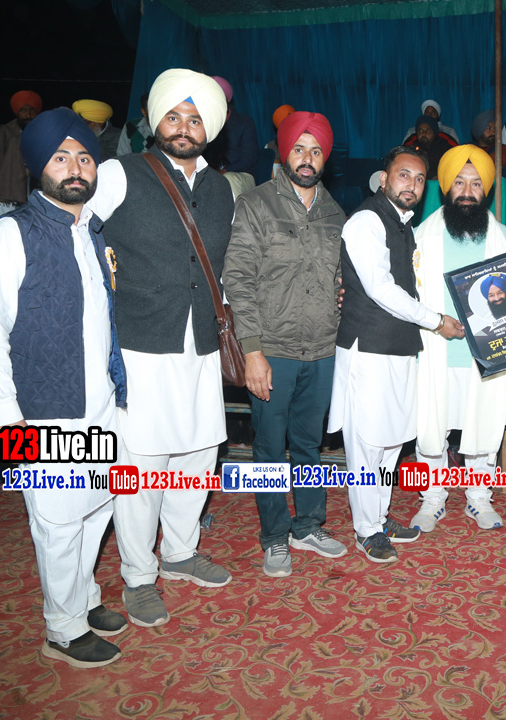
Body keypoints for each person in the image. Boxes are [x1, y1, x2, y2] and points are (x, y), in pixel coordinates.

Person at [0, 108, 127, 667]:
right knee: (57, 522)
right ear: (39, 167)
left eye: (84, 157)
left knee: (96, 509)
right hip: (40, 411)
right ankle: (62, 630)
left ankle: (81, 600)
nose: (75, 167)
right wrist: (5, 421)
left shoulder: (93, 234)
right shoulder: (10, 234)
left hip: (99, 404)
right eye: (61, 157)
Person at [88, 68, 235, 627]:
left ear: (209, 129)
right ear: (155, 121)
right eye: (173, 116)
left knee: (198, 453)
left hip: (202, 342)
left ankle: (179, 552)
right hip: (141, 341)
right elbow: (77, 232)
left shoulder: (222, 188)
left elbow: (222, 267)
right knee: (143, 461)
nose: (183, 127)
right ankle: (138, 575)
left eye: (194, 119)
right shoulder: (119, 173)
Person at [223, 111, 347, 577]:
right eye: (299, 149)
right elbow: (237, 278)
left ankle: (308, 525)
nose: (307, 158)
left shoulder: (336, 213)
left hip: (322, 349)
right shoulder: (256, 204)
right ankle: (275, 536)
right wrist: (252, 350)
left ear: (325, 157)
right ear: (283, 152)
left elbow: (343, 277)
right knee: (270, 449)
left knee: (310, 444)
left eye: (316, 151)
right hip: (271, 349)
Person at [328, 145, 465, 563]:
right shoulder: (367, 220)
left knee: (389, 444)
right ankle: (366, 530)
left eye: (420, 179)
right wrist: (436, 321)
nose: (412, 185)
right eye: (404, 175)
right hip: (368, 349)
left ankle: (379, 518)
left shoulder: (404, 226)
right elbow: (381, 289)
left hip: (399, 348)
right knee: (367, 446)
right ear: (384, 179)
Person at [408, 145, 506, 533]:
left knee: (483, 424)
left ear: (486, 190)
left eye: (475, 184)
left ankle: (479, 498)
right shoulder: (421, 236)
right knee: (430, 427)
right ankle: (432, 498)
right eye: (459, 182)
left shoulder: (501, 237)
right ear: (445, 187)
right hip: (433, 351)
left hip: (482, 354)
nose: (467, 192)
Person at [0, 91, 42, 226]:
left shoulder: (44, 128)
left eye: (32, 110)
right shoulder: (7, 130)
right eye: (23, 110)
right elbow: (1, 160)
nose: (28, 115)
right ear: (17, 112)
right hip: (11, 175)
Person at [404, 115, 455, 180]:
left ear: (434, 132)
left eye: (427, 131)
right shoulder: (411, 143)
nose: (424, 134)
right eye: (420, 131)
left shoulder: (446, 142)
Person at [470, 109, 506, 175]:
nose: (493, 132)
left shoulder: (504, 149)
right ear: (479, 130)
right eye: (488, 128)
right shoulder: (470, 149)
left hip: (501, 181)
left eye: (494, 129)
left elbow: (495, 160)